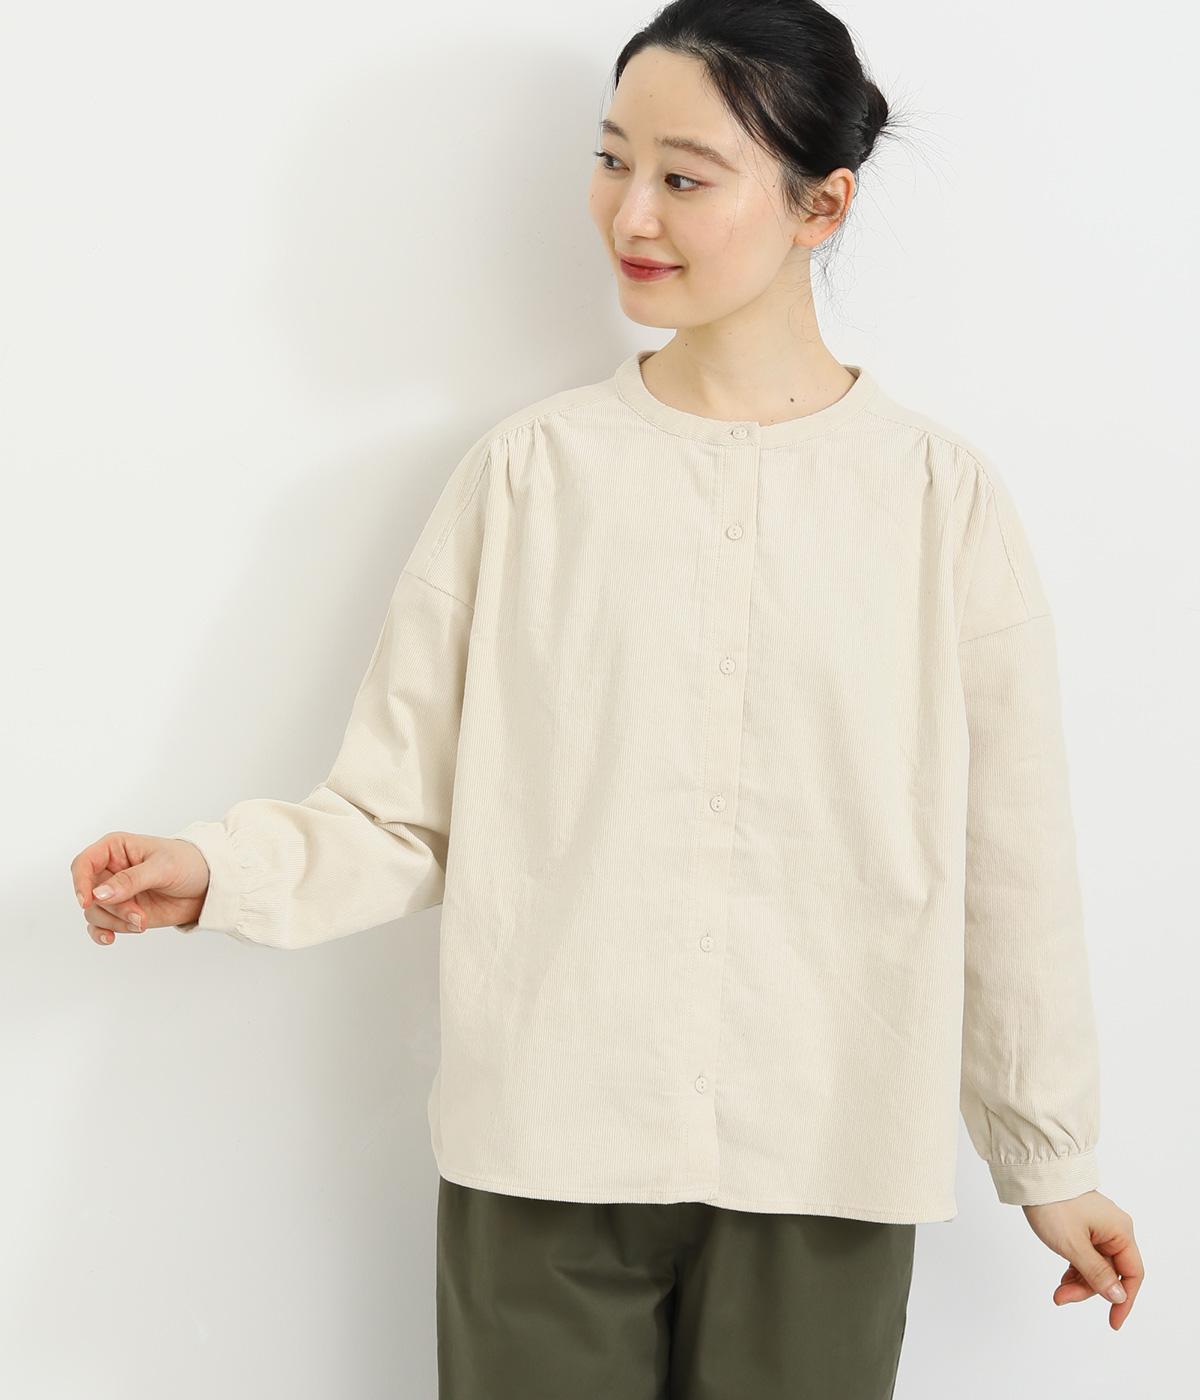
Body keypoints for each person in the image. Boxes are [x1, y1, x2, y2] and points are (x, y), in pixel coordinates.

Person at [69, 1, 1144, 1394]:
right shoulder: (529, 475)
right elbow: (403, 811)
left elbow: (1010, 859)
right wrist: (219, 870)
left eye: (685, 176)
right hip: (544, 1153)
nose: (631, 212)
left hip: (828, 1152)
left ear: (822, 206)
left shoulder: (940, 501)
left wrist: (1048, 1157)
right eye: (612, 158)